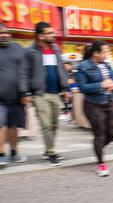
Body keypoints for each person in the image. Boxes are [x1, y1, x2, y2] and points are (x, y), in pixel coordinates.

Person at [22, 22, 68, 166]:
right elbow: (23, 72)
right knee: (46, 124)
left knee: (54, 124)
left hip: (56, 92)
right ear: (40, 36)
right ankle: (51, 151)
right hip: (39, 93)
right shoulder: (30, 51)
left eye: (53, 32)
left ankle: (48, 151)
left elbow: (61, 69)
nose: (53, 35)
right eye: (49, 33)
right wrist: (25, 92)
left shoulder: (56, 49)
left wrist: (65, 88)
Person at [76, 40, 113, 177]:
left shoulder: (107, 65)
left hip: (110, 101)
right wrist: (101, 85)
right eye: (105, 51)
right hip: (93, 104)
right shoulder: (82, 67)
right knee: (100, 134)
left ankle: (98, 147)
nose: (108, 54)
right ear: (96, 53)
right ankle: (101, 164)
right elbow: (83, 87)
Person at [0, 23, 28, 167]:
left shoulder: (17, 48)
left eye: (6, 32)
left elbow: (23, 71)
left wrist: (24, 92)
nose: (4, 35)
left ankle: (14, 153)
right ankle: (1, 155)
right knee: (1, 124)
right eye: (1, 33)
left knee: (13, 126)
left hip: (17, 96)